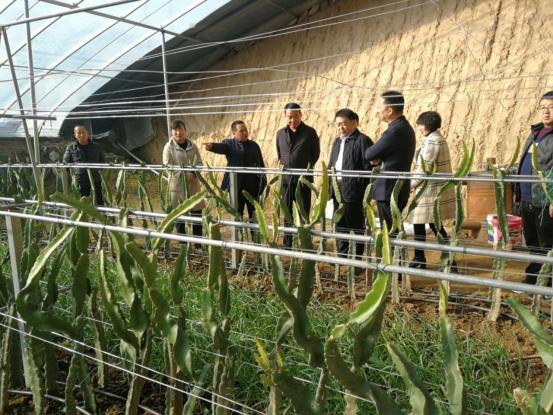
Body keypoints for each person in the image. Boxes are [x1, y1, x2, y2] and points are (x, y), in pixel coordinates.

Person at [407, 111, 455, 269]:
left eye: (421, 125)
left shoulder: (432, 141)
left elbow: (424, 169)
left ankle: (440, 258)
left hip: (429, 191)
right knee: (428, 224)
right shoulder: (437, 138)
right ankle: (423, 257)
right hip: (431, 190)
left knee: (428, 224)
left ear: (427, 125)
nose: (419, 128)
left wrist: (410, 185)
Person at [364, 91, 416, 232]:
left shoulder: (395, 130)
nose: (377, 111)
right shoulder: (403, 127)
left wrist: (377, 157)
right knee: (392, 231)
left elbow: (369, 153)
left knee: (389, 233)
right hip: (395, 188)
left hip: (390, 190)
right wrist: (380, 158)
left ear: (389, 110)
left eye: (379, 106)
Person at [515, 90, 553, 285]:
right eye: (543, 107)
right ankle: (533, 280)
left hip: (546, 200)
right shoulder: (535, 133)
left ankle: (547, 285)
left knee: (547, 243)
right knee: (532, 243)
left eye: (551, 107)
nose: (546, 111)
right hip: (528, 198)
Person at [328, 108, 373, 258]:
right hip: (337, 188)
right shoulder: (336, 141)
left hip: (354, 190)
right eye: (338, 124)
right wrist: (329, 188)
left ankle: (356, 258)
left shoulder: (362, 140)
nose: (340, 127)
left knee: (355, 225)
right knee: (339, 223)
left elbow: (369, 167)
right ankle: (342, 256)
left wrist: (362, 188)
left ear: (355, 123)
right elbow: (331, 164)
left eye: (344, 124)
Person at [276, 102, 320, 247]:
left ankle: (304, 243)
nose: (293, 120)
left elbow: (315, 154)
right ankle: (288, 244)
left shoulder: (310, 132)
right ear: (285, 116)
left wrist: (304, 167)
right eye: (290, 117)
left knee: (303, 212)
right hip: (286, 181)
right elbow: (280, 154)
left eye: (296, 116)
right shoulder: (280, 134)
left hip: (303, 181)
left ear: (301, 115)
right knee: (287, 212)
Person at [203, 120, 267, 219]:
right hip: (236, 187)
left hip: (253, 187)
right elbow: (222, 147)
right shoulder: (229, 144)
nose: (245, 133)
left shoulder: (254, 145)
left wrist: (263, 183)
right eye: (241, 131)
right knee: (237, 215)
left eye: (246, 130)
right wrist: (212, 146)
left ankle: (254, 230)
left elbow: (261, 165)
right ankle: (238, 229)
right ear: (234, 133)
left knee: (255, 215)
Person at [162, 119, 204, 240]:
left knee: (197, 216)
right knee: (179, 217)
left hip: (193, 186)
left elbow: (199, 163)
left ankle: (198, 245)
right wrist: (183, 175)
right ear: (172, 132)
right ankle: (183, 245)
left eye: (180, 129)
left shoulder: (193, 146)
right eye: (175, 130)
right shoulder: (168, 147)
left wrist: (194, 173)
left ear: (185, 130)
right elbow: (167, 166)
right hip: (177, 188)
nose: (178, 132)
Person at [63, 124, 105, 205]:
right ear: (75, 135)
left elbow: (102, 162)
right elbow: (66, 164)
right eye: (79, 133)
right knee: (82, 205)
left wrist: (97, 171)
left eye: (83, 132)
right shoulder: (71, 148)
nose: (81, 135)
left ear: (87, 133)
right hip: (80, 182)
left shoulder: (97, 147)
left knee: (99, 203)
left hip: (95, 180)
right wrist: (75, 174)